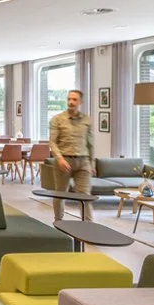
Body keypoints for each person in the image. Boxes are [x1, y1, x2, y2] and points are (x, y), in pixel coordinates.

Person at [48, 89, 95, 221]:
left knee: (85, 196)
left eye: (74, 99)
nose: (71, 102)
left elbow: (90, 143)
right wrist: (60, 159)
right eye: (69, 99)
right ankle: (58, 221)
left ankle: (88, 227)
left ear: (81, 102)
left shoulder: (86, 120)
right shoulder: (57, 119)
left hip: (83, 162)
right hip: (64, 161)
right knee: (60, 194)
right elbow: (52, 142)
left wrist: (92, 163)